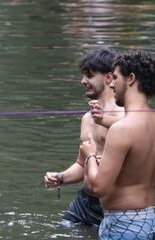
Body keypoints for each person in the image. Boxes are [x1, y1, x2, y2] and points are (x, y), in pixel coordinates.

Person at [81, 50, 155, 240]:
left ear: (130, 79)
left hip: (123, 224)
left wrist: (89, 156)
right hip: (148, 221)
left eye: (115, 77)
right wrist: (132, 175)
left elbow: (98, 188)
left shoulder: (122, 129)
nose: (111, 84)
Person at [42, 49, 122, 227]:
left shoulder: (126, 118)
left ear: (109, 78)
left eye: (89, 76)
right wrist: (60, 177)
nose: (83, 81)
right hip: (84, 201)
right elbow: (82, 164)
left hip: (113, 205)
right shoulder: (87, 118)